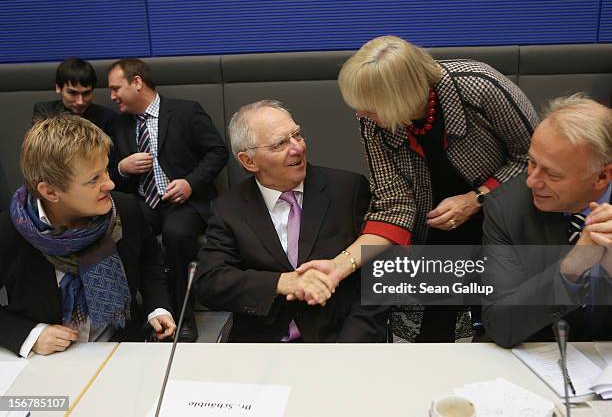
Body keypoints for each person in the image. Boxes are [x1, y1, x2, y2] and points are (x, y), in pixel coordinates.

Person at [299, 35, 538, 342]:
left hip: (506, 221)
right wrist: (339, 266)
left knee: (501, 330)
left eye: (369, 108)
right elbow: (394, 201)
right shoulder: (373, 123)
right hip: (438, 230)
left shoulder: (479, 86)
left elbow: (534, 160)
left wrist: (477, 198)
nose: (360, 115)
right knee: (432, 335)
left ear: (400, 97)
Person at [196, 100, 388, 342]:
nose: (297, 148)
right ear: (248, 161)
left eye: (297, 135)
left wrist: (349, 347)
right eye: (280, 144)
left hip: (339, 340)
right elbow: (210, 282)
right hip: (262, 348)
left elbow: (379, 276)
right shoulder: (229, 209)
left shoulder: (346, 190)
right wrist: (281, 282)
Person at [0, 114, 176, 357]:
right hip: (49, 363)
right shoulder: (10, 231)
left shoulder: (124, 209)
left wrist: (157, 308)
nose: (110, 184)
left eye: (105, 170)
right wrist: (30, 334)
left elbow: (149, 261)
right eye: (94, 180)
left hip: (121, 349)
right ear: (50, 191)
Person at [108, 58, 228, 342]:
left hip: (185, 202)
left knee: (176, 235)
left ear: (137, 82)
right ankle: (137, 316)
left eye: (115, 88)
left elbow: (217, 153)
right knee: (122, 231)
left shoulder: (186, 111)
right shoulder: (119, 125)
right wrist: (123, 168)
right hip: (142, 203)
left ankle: (184, 316)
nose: (111, 96)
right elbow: (107, 174)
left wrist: (190, 183)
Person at [481, 95, 612, 348]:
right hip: (538, 357)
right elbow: (500, 324)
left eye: (552, 174)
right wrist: (571, 268)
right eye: (532, 163)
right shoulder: (507, 208)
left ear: (602, 176)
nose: (532, 181)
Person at [32, 58, 116, 135]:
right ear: (58, 88)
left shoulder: (107, 118)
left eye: (86, 93)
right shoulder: (45, 112)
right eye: (72, 93)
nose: (80, 102)